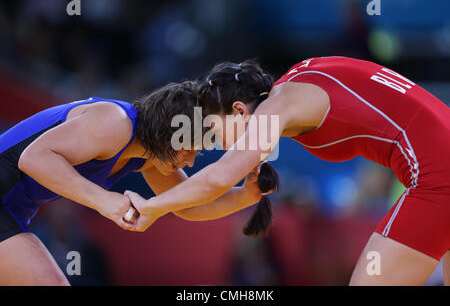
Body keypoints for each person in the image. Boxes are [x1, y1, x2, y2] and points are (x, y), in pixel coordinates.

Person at [125, 56, 450, 285]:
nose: (218, 142)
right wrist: (244, 196)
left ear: (239, 110)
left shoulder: (277, 106)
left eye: (213, 130)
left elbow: (219, 177)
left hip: (438, 177)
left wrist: (150, 207)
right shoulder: (297, 81)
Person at [0, 81, 265, 285]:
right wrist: (103, 200)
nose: (191, 161)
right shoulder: (115, 122)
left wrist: (244, 196)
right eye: (189, 148)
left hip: (11, 211)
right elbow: (34, 158)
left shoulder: (148, 155)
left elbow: (187, 206)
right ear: (168, 133)